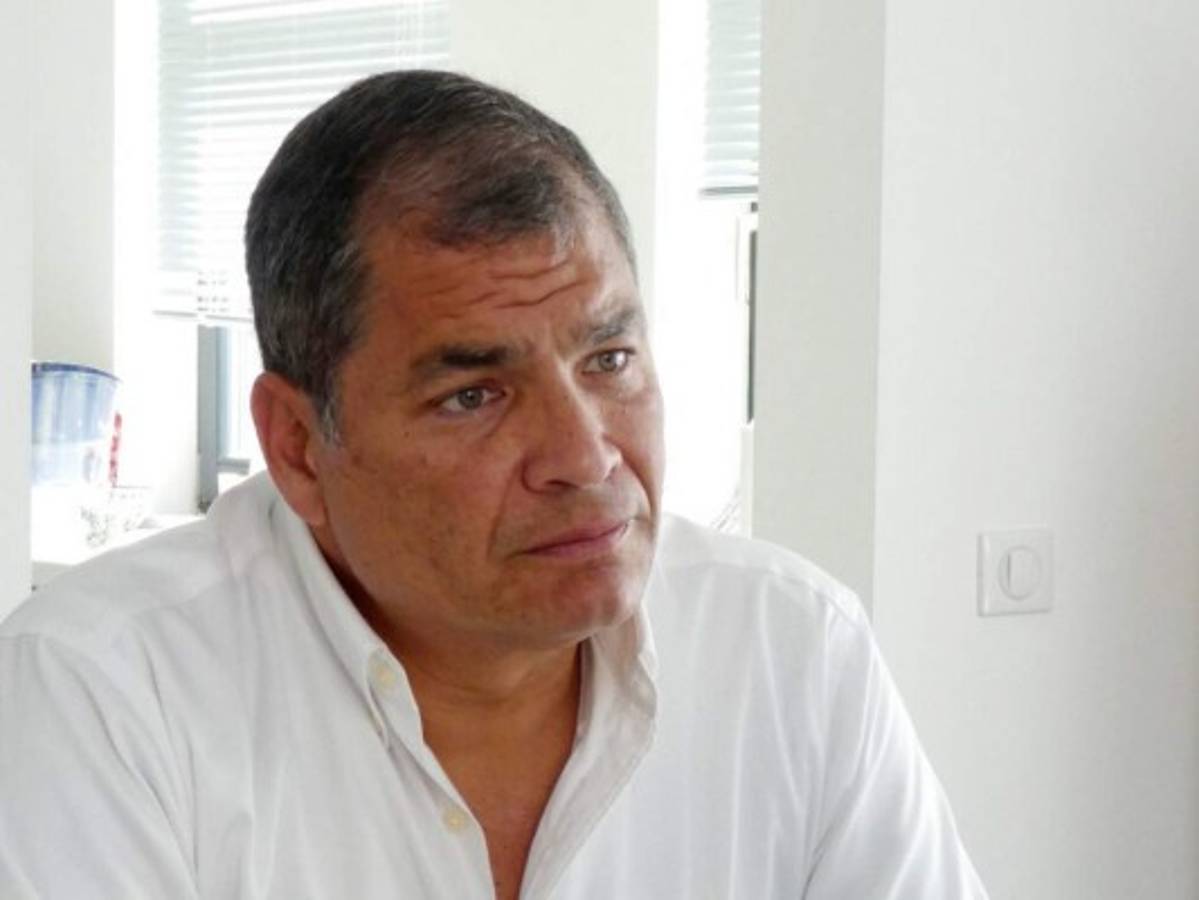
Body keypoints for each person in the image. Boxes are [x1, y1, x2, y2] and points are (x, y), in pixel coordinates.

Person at [0, 71, 987, 899]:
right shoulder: (102, 693)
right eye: (472, 395)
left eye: (608, 360)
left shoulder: (790, 650)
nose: (585, 457)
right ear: (298, 446)